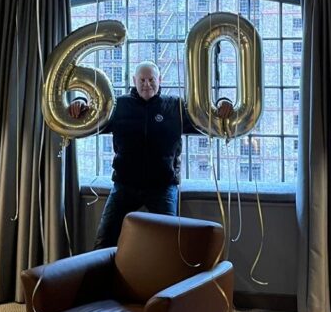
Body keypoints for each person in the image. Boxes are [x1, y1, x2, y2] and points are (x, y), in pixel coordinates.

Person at [69, 61, 233, 248]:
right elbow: (92, 116)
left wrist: (222, 102)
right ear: (134, 81)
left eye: (151, 80)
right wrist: (80, 102)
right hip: (125, 185)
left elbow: (206, 115)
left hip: (162, 187)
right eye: (142, 80)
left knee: (168, 244)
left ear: (159, 80)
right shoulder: (118, 106)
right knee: (104, 240)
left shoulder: (175, 106)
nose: (147, 84)